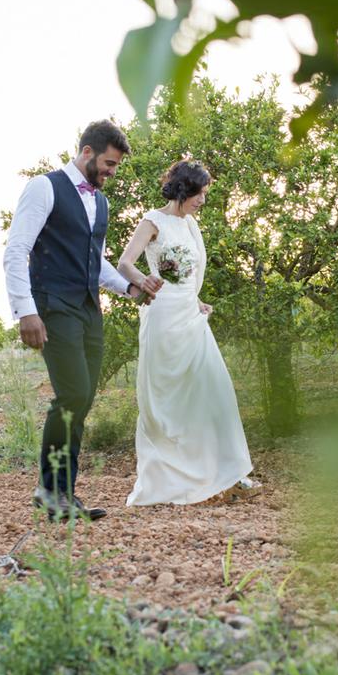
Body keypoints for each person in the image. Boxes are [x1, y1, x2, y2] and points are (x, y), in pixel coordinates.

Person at [3, 120, 163, 521]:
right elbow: (17, 248)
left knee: (82, 398)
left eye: (116, 166)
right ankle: (49, 489)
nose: (111, 172)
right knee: (72, 394)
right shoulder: (45, 187)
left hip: (89, 310)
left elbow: (96, 262)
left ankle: (63, 493)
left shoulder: (101, 202)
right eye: (108, 163)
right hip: (52, 306)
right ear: (87, 152)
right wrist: (26, 311)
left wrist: (130, 288)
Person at [116, 160, 260, 506]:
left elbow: (190, 276)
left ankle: (231, 475)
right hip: (163, 317)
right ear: (183, 189)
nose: (202, 200)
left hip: (190, 317)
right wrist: (142, 281)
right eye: (199, 193)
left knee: (215, 389)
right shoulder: (153, 222)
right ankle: (173, 480)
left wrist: (197, 301)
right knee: (169, 402)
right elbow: (125, 263)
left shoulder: (192, 225)